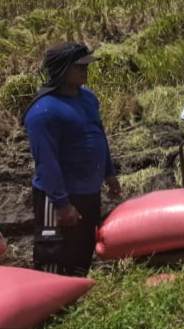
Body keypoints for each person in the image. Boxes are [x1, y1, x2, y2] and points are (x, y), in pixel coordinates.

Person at [23, 42, 123, 276]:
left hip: (89, 190)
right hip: (59, 197)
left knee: (82, 250)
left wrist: (109, 173)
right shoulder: (44, 111)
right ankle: (52, 307)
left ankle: (78, 298)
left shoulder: (88, 98)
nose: (85, 71)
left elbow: (98, 135)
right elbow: (46, 161)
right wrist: (61, 203)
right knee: (55, 254)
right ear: (61, 69)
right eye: (79, 67)